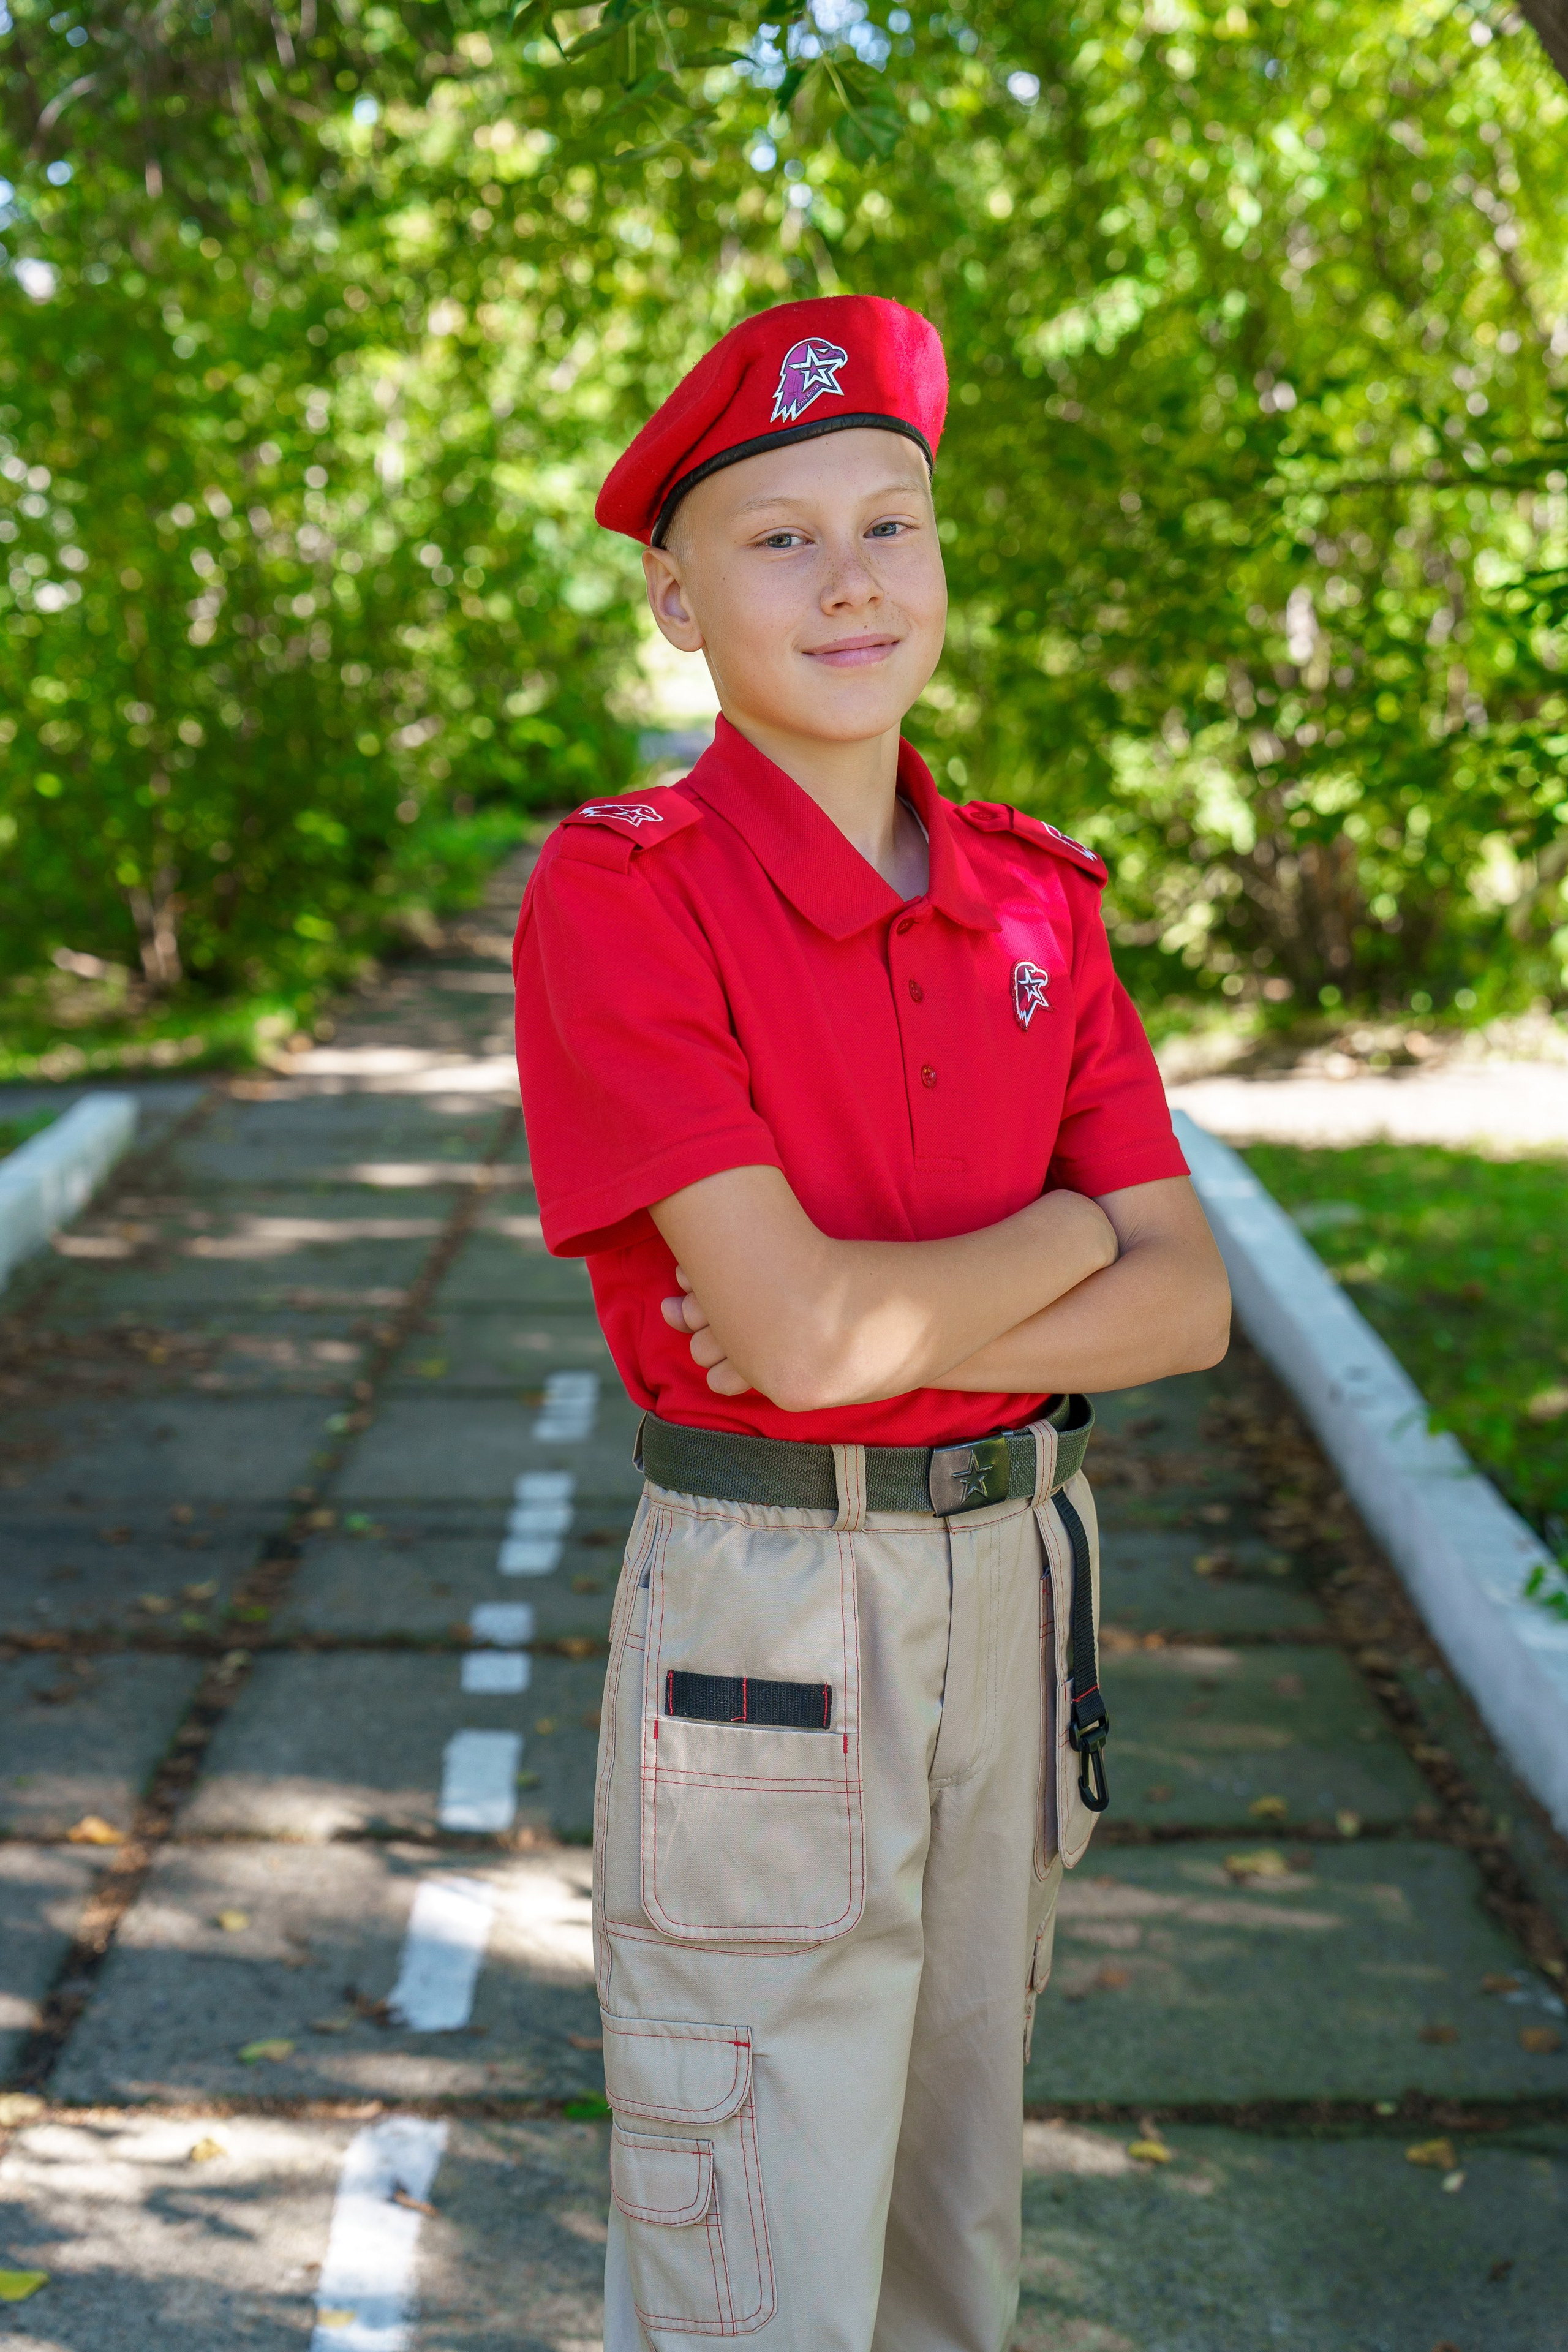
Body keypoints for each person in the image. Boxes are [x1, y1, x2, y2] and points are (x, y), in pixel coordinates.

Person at [512, 294, 1231, 2352]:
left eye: (890, 524)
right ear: (674, 600)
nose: (851, 579)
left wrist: (900, 1307)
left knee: (950, 2224)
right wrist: (1068, 1234)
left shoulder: (1036, 899)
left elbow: (1184, 1315)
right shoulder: (628, 891)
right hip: (772, 1604)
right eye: (780, 536)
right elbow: (810, 1354)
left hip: (1018, 1573)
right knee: (758, 2238)